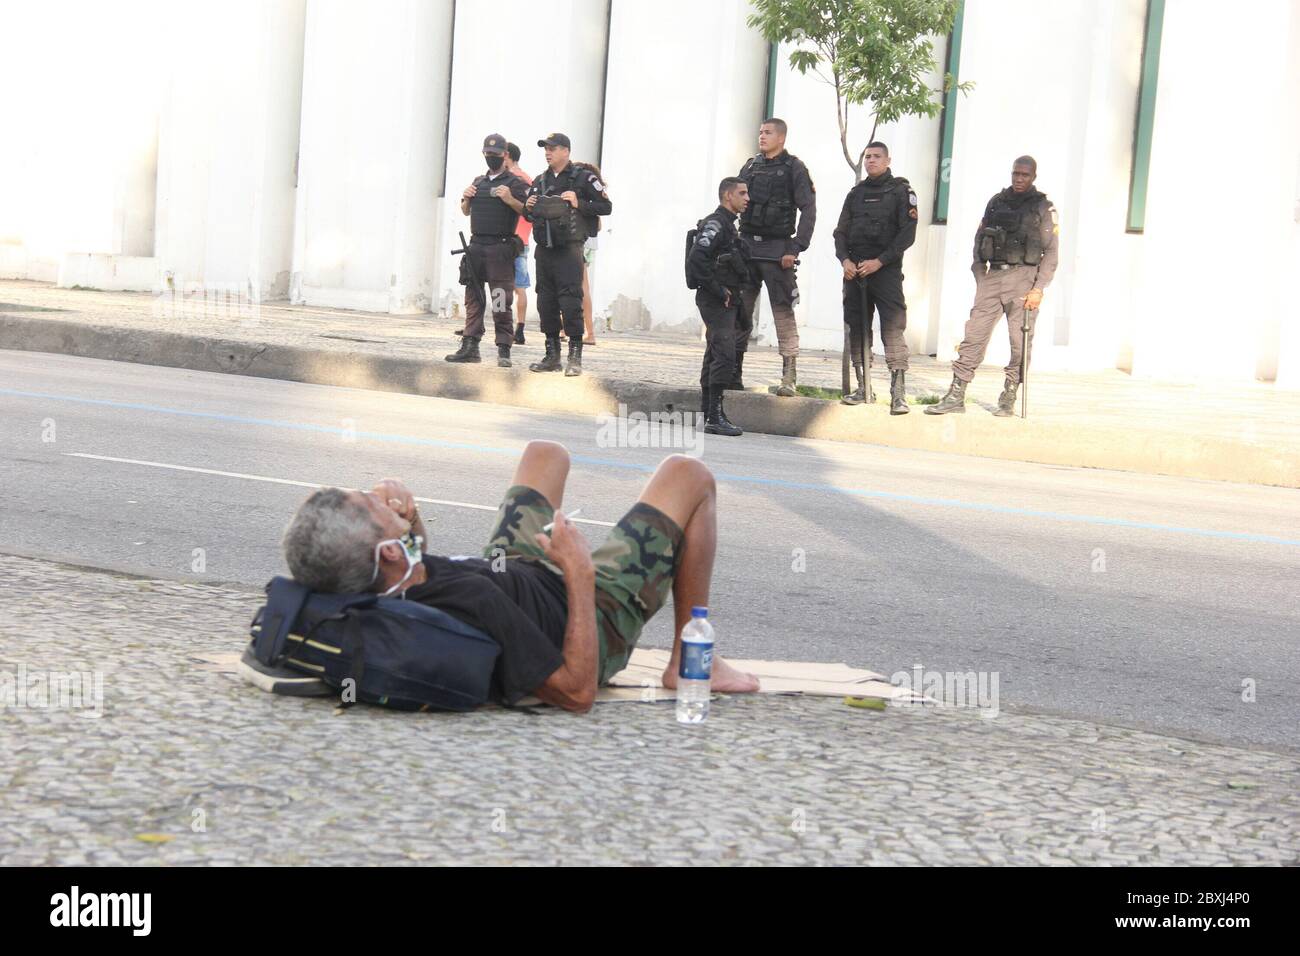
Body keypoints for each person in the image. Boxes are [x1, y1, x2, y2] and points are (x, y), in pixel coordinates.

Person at [279, 442, 761, 712]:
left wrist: (413, 517)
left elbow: (418, 565)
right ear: (385, 552)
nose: (379, 497)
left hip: (511, 568)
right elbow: (576, 692)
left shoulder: (388, 586)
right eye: (372, 506)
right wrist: (578, 570)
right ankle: (692, 658)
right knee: (688, 473)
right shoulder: (472, 603)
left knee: (545, 454)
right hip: (590, 612)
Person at [927, 156, 1059, 416]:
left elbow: (1052, 252)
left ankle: (1009, 393)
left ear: (1034, 177)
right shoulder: (996, 202)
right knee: (973, 335)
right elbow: (979, 241)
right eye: (1016, 174)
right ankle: (956, 394)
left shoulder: (1043, 206)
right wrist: (980, 276)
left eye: (1025, 175)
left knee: (1019, 341)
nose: (1019, 179)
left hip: (1024, 278)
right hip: (993, 276)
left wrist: (1039, 288)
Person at [832, 141, 918, 414]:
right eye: (867, 157)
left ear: (888, 160)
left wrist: (879, 262)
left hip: (885, 270)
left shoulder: (901, 191)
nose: (870, 161)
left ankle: (898, 393)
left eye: (876, 157)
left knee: (892, 328)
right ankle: (863, 386)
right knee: (858, 328)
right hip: (855, 270)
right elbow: (840, 232)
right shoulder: (855, 194)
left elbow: (907, 234)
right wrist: (844, 260)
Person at [737, 117, 816, 397]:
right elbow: (733, 201)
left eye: (768, 132)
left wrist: (796, 247)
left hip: (777, 252)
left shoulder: (794, 168)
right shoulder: (750, 166)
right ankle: (732, 372)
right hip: (746, 249)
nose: (762, 136)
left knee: (783, 313)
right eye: (760, 132)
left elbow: (808, 209)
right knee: (739, 313)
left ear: (781, 138)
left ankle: (789, 377)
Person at [524, 134, 612, 376]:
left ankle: (575, 357)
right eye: (546, 149)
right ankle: (552, 355)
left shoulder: (583, 178)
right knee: (546, 302)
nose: (547, 152)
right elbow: (527, 215)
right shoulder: (540, 180)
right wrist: (528, 207)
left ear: (566, 151)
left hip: (569, 249)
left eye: (552, 148)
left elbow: (606, 207)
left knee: (571, 300)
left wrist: (579, 202)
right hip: (544, 250)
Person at [447, 134, 530, 368]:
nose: (490, 158)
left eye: (495, 154)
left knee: (500, 300)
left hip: (500, 247)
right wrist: (465, 198)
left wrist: (510, 198)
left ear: (505, 155)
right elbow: (466, 211)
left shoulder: (516, 183)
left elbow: (526, 212)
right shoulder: (479, 182)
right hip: (476, 247)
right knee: (473, 299)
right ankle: (470, 345)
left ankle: (504, 348)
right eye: (487, 154)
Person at [687, 177, 752, 437]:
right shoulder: (716, 223)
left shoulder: (729, 225)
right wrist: (718, 289)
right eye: (742, 193)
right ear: (728, 196)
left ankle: (710, 412)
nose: (747, 198)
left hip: (726, 298)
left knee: (716, 352)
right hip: (715, 299)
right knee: (724, 352)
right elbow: (697, 259)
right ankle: (714, 416)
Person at [504, 142, 532, 346]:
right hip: (522, 238)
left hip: (512, 237)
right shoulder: (527, 178)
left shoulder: (515, 179)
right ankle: (518, 328)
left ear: (508, 156)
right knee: (519, 286)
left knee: (508, 286)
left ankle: (511, 327)